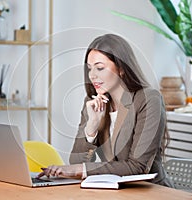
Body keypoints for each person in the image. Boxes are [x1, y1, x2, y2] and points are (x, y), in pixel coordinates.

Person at [38, 34, 174, 187]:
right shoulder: (93, 102)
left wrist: (79, 170)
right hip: (112, 191)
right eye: (90, 69)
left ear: (121, 69)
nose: (92, 75)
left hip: (150, 191)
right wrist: (91, 128)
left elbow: (138, 167)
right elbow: (75, 162)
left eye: (100, 68)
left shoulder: (148, 99)